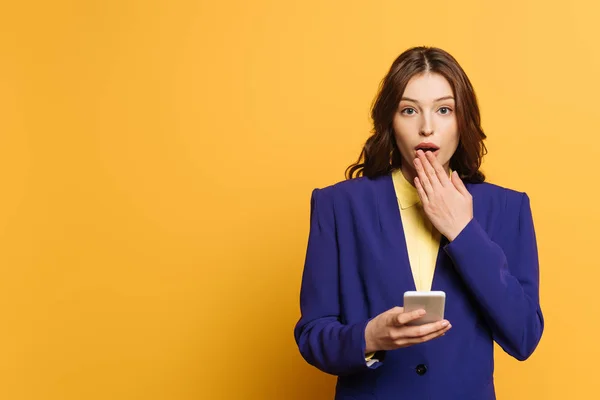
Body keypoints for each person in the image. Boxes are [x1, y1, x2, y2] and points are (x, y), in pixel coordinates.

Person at [293, 46, 544, 400]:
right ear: (390, 122)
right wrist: (368, 338)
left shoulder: (507, 207)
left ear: (463, 120)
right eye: (409, 110)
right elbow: (312, 334)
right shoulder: (338, 205)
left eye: (444, 110)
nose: (427, 127)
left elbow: (524, 336)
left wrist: (463, 232)